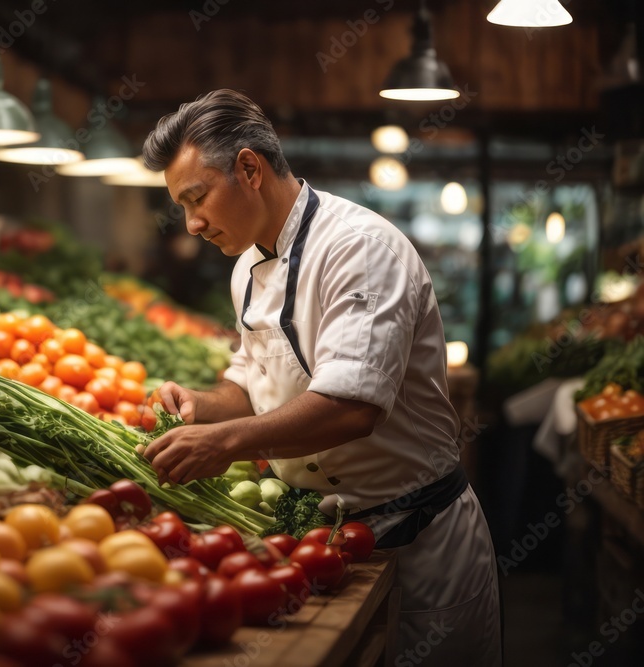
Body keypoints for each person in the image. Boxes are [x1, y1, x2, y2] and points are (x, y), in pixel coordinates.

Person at [140, 89, 502, 665]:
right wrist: (200, 408)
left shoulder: (358, 248)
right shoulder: (245, 270)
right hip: (320, 538)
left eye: (197, 198)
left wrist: (224, 444)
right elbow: (250, 382)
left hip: (414, 537)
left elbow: (352, 406)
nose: (191, 224)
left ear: (250, 169)